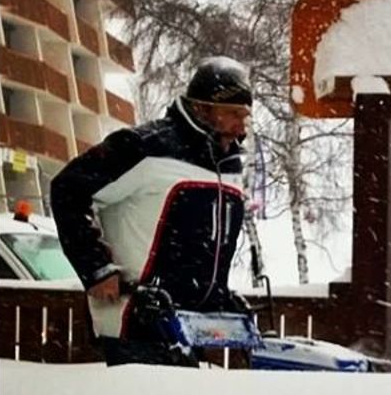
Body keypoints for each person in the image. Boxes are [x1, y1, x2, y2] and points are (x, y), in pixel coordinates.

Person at [51, 56, 255, 366]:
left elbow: (204, 248)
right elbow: (68, 188)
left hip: (189, 328)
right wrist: (96, 269)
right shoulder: (144, 146)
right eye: (232, 114)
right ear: (201, 108)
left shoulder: (229, 165)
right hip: (134, 321)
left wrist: (219, 296)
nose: (241, 126)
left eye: (245, 116)